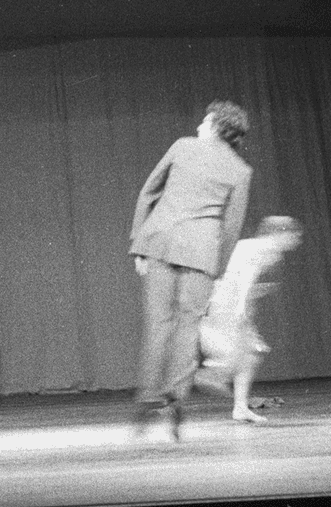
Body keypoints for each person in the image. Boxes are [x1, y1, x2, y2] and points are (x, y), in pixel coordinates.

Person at [129, 101, 252, 442]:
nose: (199, 125)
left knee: (158, 324)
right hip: (201, 251)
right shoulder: (240, 170)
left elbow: (148, 193)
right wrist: (218, 268)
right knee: (188, 327)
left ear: (215, 125)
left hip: (161, 242)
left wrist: (138, 244)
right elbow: (231, 227)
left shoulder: (183, 146)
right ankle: (175, 400)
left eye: (205, 120)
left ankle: (148, 399)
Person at [195, 216, 303, 424]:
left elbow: (235, 275)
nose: (295, 241)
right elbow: (245, 276)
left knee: (251, 355)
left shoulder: (258, 248)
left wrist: (251, 295)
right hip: (227, 303)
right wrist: (242, 305)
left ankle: (239, 406)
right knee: (237, 354)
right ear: (279, 233)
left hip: (226, 299)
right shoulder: (265, 248)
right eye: (293, 235)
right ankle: (211, 374)